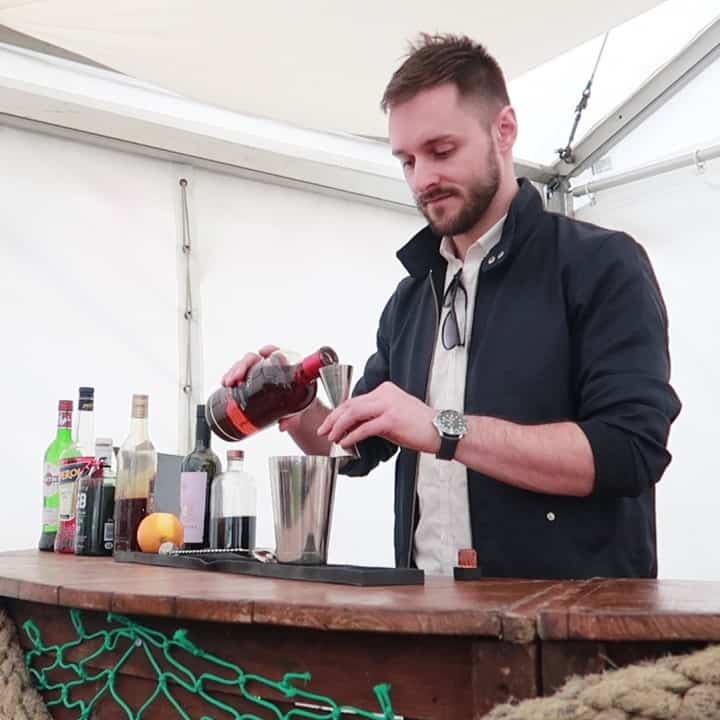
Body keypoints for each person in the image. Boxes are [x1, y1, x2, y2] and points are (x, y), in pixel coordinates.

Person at [222, 34, 681, 579]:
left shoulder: (601, 265)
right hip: (430, 621)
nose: (422, 180)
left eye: (441, 151)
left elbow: (630, 451)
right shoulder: (412, 296)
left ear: (503, 130)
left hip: (567, 632)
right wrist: (293, 406)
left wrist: (444, 428)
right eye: (407, 160)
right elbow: (355, 448)